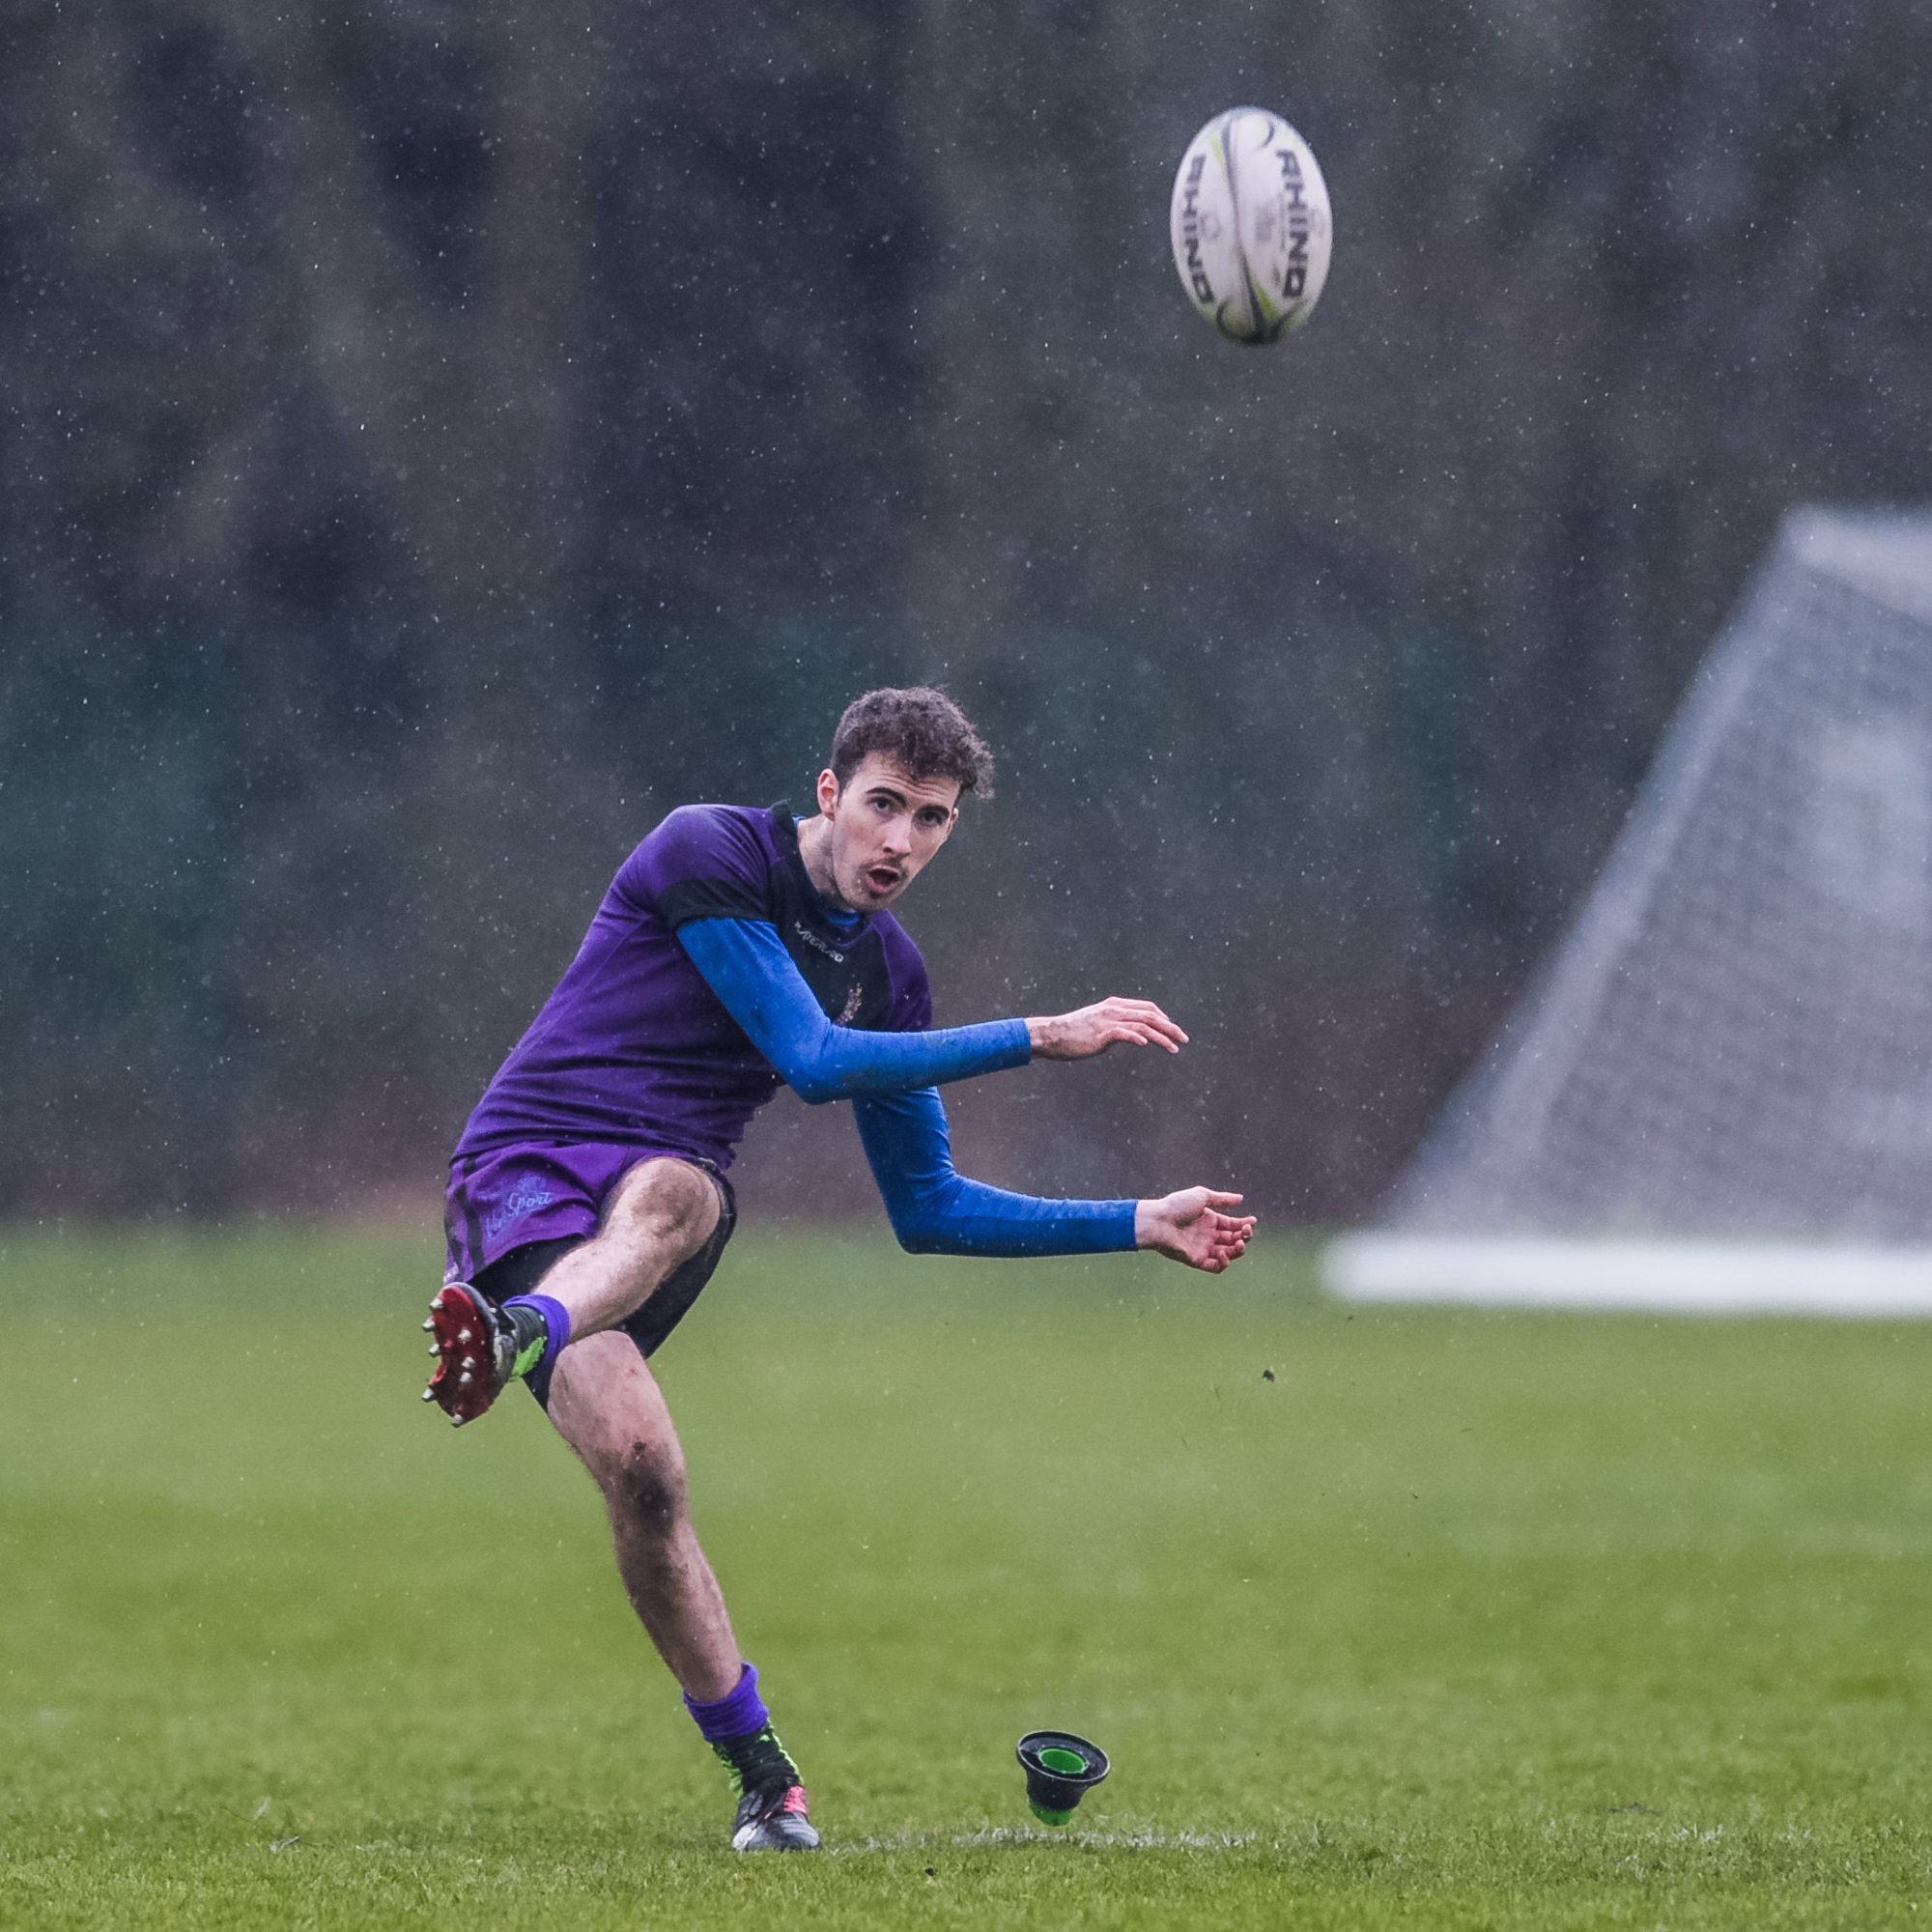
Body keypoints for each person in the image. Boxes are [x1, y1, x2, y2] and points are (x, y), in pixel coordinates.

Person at [425, 686, 1255, 1852]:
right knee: (671, 1264)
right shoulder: (709, 850)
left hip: (631, 1231)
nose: (900, 841)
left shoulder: (888, 976)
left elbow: (929, 1208)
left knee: (654, 1437)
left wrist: (1134, 1221)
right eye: (882, 804)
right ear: (828, 791)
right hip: (529, 1168)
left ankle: (758, 1776)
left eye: (931, 817)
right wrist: (1037, 1033)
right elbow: (810, 1060)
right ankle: (519, 1335)